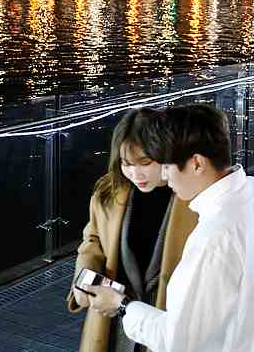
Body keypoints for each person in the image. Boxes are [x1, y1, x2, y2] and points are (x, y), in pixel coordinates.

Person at [85, 104, 254, 351]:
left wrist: (122, 305)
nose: (165, 176)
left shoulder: (214, 236)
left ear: (197, 163)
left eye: (166, 166)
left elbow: (179, 341)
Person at [68, 109, 199, 352]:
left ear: (166, 153)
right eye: (126, 164)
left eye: (145, 163)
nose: (135, 174)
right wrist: (85, 275)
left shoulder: (193, 198)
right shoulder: (109, 191)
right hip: (113, 321)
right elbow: (93, 240)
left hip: (167, 319)